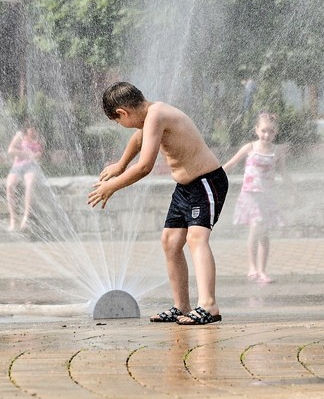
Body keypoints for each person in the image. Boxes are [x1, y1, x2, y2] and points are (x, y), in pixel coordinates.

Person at [88, 82, 229, 325]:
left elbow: (144, 167)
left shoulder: (157, 114)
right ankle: (181, 306)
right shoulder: (151, 116)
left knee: (196, 238)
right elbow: (139, 138)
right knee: (171, 242)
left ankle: (209, 305)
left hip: (206, 182)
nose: (119, 125)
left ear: (123, 112)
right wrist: (120, 165)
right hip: (185, 187)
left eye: (116, 120)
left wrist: (112, 185)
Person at [223, 112, 290, 285]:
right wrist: (213, 175)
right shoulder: (250, 148)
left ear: (276, 132)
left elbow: (284, 173)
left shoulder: (277, 152)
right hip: (250, 196)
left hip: (267, 198)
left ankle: (262, 270)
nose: (267, 135)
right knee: (256, 228)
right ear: (257, 130)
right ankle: (253, 268)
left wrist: (293, 190)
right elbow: (231, 164)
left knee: (264, 234)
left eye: (271, 132)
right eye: (264, 131)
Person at [6, 122, 43, 231]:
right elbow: (10, 150)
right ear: (27, 129)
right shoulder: (20, 135)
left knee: (30, 184)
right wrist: (26, 154)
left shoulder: (40, 138)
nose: (33, 132)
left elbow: (40, 154)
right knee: (9, 186)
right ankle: (13, 218)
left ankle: (26, 218)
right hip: (18, 165)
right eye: (31, 129)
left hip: (31, 167)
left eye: (35, 129)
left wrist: (36, 155)